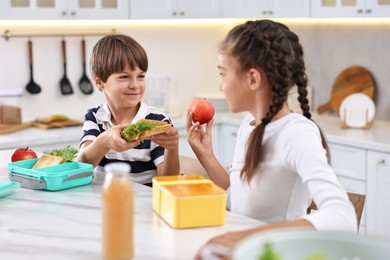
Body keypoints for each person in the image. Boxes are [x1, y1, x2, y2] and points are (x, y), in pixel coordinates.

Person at [186, 20, 357, 258]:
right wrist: (205, 154)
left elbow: (343, 216)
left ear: (253, 79)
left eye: (223, 74)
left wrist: (245, 236)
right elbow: (240, 198)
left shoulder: (297, 133)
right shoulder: (250, 124)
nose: (220, 85)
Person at [76, 34, 180, 186]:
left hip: (147, 202)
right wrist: (105, 141)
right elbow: (83, 164)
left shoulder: (156, 120)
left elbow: (168, 180)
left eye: (140, 76)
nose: (135, 85)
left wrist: (172, 148)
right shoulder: (94, 117)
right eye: (124, 77)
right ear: (99, 82)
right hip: (107, 196)